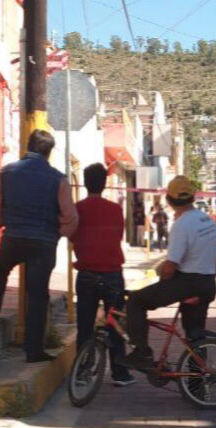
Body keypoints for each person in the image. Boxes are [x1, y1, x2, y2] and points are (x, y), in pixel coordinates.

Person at [0, 130, 78, 362]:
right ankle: (33, 349)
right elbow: (70, 216)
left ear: (27, 146)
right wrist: (57, 235)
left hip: (14, 237)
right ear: (48, 152)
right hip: (44, 242)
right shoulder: (58, 178)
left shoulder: (7, 172)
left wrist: (1, 224)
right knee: (38, 294)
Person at [119, 176, 216, 370]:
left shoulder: (182, 225)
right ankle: (197, 387)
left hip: (187, 282)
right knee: (195, 335)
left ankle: (142, 353)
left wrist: (160, 283)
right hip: (208, 283)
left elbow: (169, 268)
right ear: (192, 197)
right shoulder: (207, 220)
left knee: (136, 301)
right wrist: (207, 279)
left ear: (169, 200)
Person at [71, 163, 135, 386]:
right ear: (105, 183)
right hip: (112, 274)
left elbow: (72, 237)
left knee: (85, 326)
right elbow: (118, 236)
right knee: (115, 325)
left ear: (85, 183)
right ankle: (120, 374)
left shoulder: (76, 208)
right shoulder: (115, 209)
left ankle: (82, 372)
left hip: (86, 274)